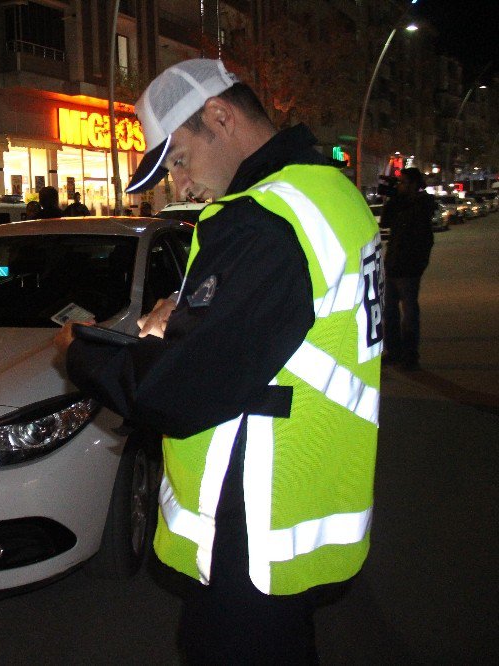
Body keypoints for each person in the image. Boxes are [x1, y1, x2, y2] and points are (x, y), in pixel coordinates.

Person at [54, 59, 383, 662]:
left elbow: (180, 393)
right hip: (303, 501)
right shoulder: (328, 192)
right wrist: (185, 314)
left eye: (177, 160)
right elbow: (290, 320)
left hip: (252, 523)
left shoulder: (261, 219)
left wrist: (79, 351)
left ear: (220, 116)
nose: (179, 186)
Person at [381, 167, 435, 371]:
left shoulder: (422, 205)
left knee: (410, 312)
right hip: (393, 265)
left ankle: (410, 355)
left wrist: (418, 265)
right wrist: (393, 198)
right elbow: (386, 222)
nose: (400, 186)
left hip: (409, 269)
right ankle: (393, 352)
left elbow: (424, 239)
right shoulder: (400, 204)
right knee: (390, 312)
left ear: (413, 184)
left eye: (403, 182)